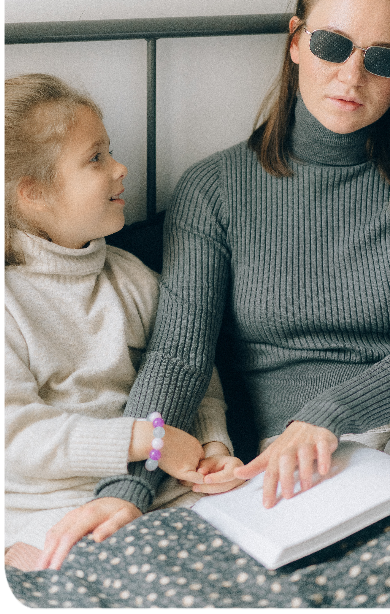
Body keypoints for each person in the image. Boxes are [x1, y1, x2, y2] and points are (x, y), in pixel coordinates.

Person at [40, 0, 390, 570]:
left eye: (383, 59)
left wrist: (329, 413)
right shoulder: (216, 189)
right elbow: (180, 353)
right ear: (296, 41)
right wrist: (130, 486)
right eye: (331, 45)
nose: (351, 76)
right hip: (286, 453)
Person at [0, 73, 243, 572]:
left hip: (157, 492)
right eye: (96, 158)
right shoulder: (9, 300)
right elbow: (14, 437)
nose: (120, 168)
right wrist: (143, 439)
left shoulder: (132, 277)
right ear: (34, 194)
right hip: (46, 508)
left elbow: (194, 375)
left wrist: (213, 445)